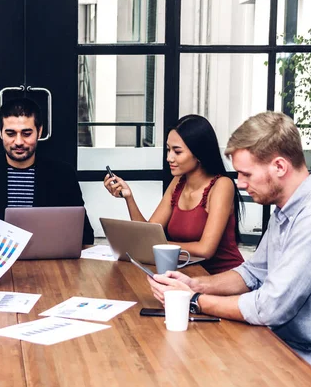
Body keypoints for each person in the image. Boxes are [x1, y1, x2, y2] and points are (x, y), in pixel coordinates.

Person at [148, 112, 311, 369]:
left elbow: (270, 307)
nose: (239, 183)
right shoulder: (286, 208)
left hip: (307, 356)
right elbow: (252, 273)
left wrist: (193, 300)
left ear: (280, 167)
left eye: (246, 174)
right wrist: (195, 283)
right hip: (280, 342)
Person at [0, 98, 94, 244]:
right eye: (11, 133)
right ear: (0, 132)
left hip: (47, 261)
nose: (19, 142)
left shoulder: (63, 175)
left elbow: (86, 235)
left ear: (39, 132)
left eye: (27, 134)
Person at [104, 115, 244, 274]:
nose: (169, 158)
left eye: (177, 151)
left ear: (198, 153)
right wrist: (128, 197)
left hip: (223, 278)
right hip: (187, 274)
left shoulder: (222, 185)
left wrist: (158, 246)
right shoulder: (178, 182)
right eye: (168, 149)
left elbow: (206, 249)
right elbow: (148, 233)